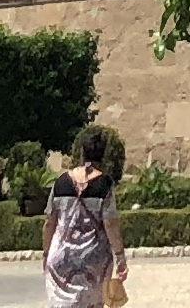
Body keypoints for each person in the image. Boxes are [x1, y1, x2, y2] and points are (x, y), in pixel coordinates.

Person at [42, 125, 129, 308]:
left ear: (81, 152)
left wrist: (46, 253)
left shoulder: (61, 182)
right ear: (103, 154)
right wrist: (120, 256)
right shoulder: (105, 184)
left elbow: (49, 222)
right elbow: (110, 224)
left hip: (61, 257)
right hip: (94, 260)